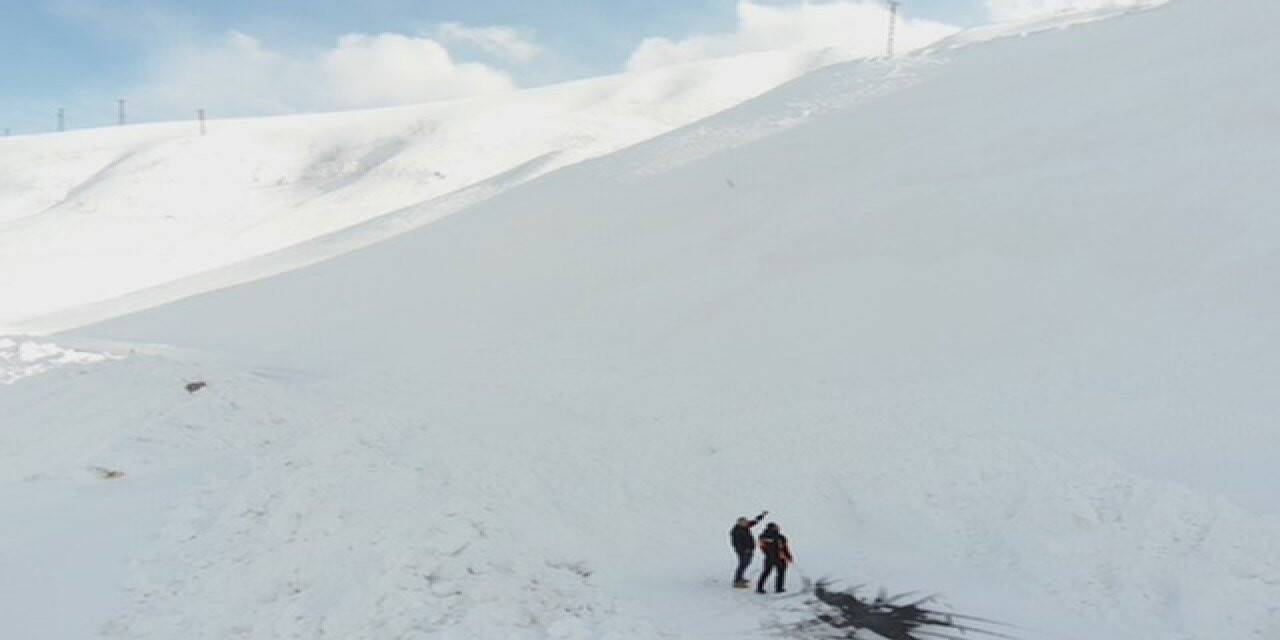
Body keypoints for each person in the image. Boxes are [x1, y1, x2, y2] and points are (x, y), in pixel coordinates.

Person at [730, 510, 768, 588]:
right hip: (743, 551)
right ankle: (737, 581)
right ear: (740, 523)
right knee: (743, 564)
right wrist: (744, 550)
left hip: (749, 549)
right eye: (745, 522)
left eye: (746, 522)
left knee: (746, 564)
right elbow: (737, 543)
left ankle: (740, 578)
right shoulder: (737, 531)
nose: (747, 523)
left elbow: (754, 521)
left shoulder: (744, 527)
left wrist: (762, 515)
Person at [756, 522, 794, 594]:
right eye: (776, 527)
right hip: (772, 557)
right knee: (768, 572)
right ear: (772, 528)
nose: (778, 528)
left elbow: (785, 548)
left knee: (779, 572)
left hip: (777, 558)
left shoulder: (781, 537)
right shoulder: (764, 537)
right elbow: (763, 547)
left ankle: (777, 588)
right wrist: (776, 553)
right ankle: (762, 587)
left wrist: (788, 557)